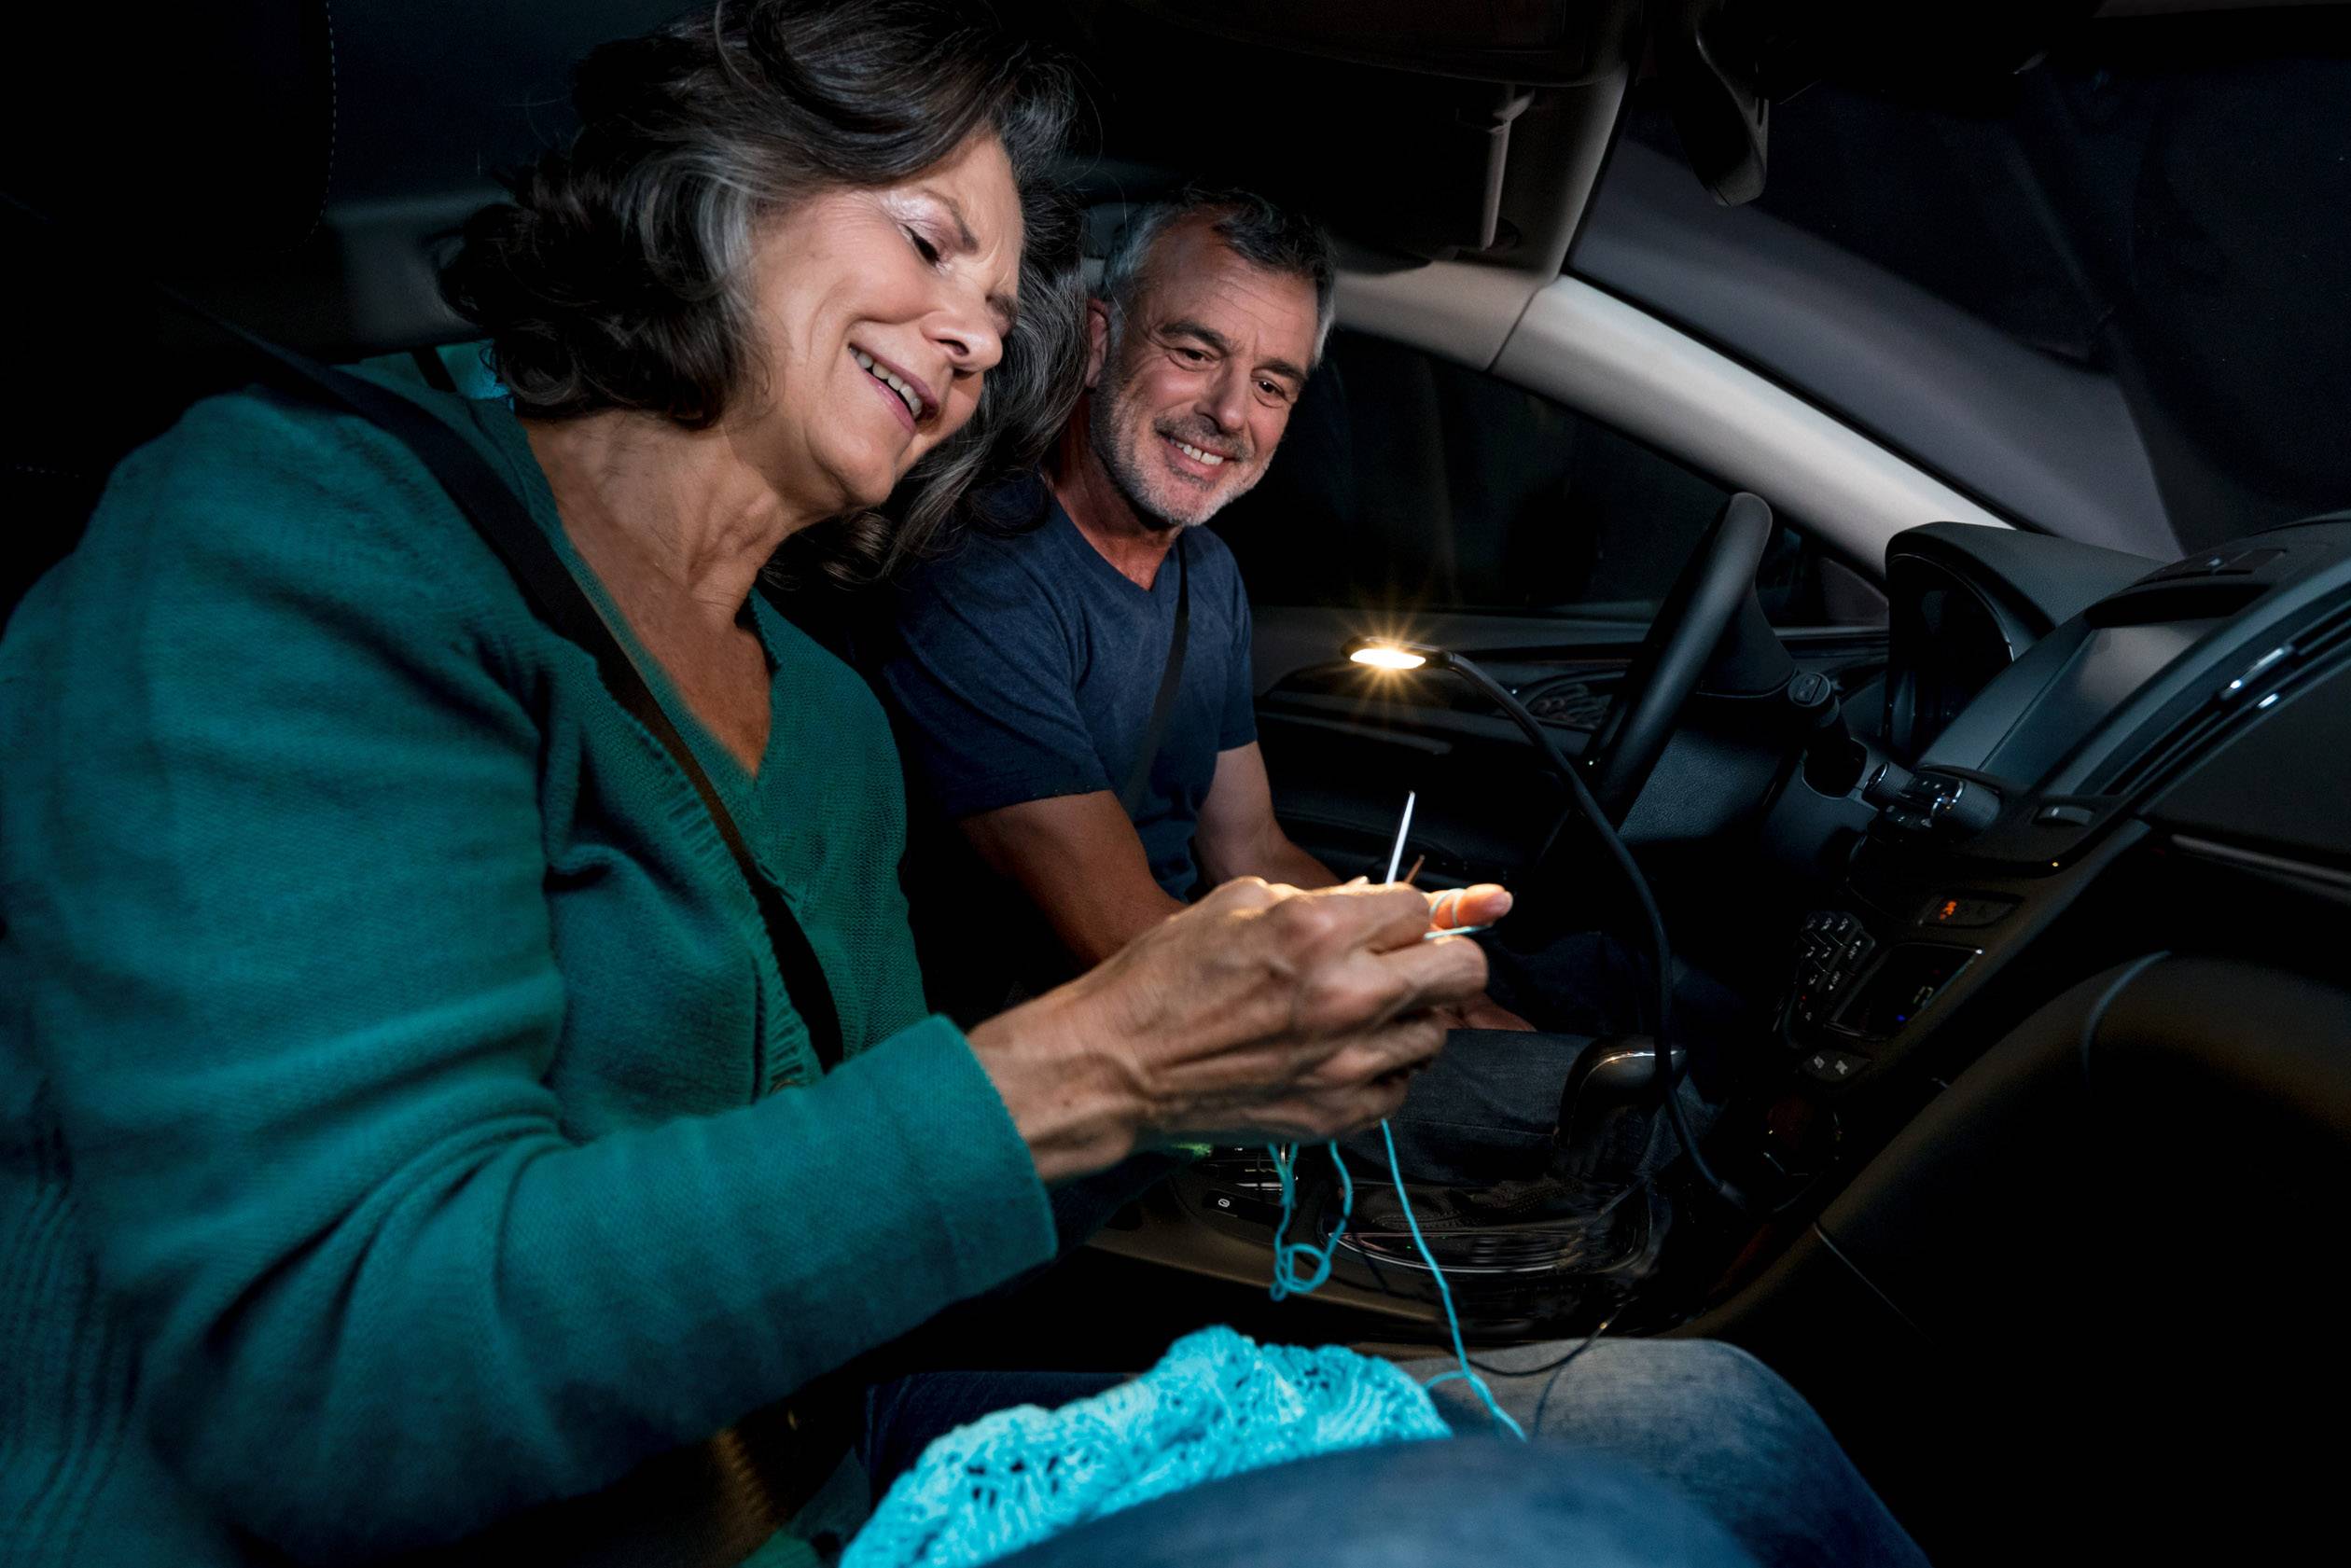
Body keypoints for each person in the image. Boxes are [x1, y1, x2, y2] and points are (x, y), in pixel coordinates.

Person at [0, 5, 1918, 1566]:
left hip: (819, 1471)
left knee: (1712, 1424)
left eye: (999, 300)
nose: (977, 331)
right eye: (930, 242)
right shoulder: (302, 540)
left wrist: (1225, 1078)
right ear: (717, 191)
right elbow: (345, 1386)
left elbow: (869, 1216)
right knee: (1554, 1537)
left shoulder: (825, 720)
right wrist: (1121, 1064)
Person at [872, 187, 1656, 1185]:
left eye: (1273, 383)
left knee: (1615, 981)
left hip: (1204, 966)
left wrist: (1428, 961)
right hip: (1110, 1064)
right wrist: (1409, 994)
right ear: (1099, 341)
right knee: (1600, 1108)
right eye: (1195, 351)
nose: (1231, 412)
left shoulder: (1207, 575)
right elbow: (1126, 942)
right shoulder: (982, 581)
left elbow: (1250, 846)